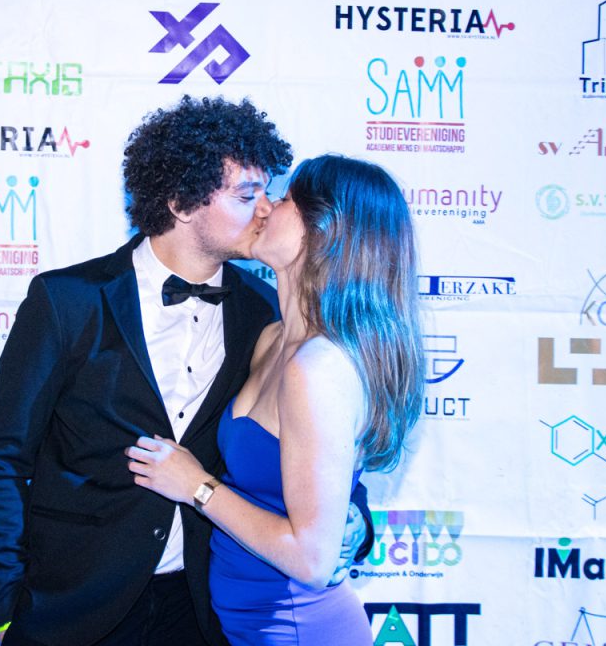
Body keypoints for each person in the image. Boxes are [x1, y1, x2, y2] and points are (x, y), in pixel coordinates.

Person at [0, 97, 370, 646]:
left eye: (267, 192)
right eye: (246, 195)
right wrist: (2, 609)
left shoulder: (262, 313)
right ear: (181, 202)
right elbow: (2, 456)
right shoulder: (68, 302)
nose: (265, 209)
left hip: (203, 608)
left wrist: (354, 517)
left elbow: (313, 440)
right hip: (75, 605)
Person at [127, 154, 425, 646]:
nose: (264, 207)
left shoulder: (319, 367)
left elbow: (312, 559)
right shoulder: (271, 338)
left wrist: (196, 486)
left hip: (295, 629)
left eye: (284, 199)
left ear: (324, 232)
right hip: (241, 625)